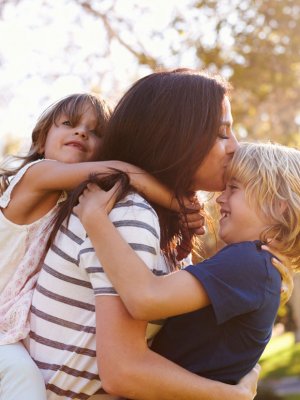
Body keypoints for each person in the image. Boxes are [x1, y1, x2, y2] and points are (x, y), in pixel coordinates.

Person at [28, 69, 261, 400]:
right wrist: (231, 395)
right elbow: (124, 372)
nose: (234, 147)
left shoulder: (149, 216)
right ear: (177, 136)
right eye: (221, 133)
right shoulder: (129, 213)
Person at [0, 92, 184, 400]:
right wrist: (178, 205)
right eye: (69, 123)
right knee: (25, 382)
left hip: (7, 328)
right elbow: (120, 172)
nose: (82, 132)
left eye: (95, 131)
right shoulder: (36, 175)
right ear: (42, 140)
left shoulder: (71, 203)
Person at [76, 141, 299, 385]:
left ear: (278, 206)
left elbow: (146, 298)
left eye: (233, 188)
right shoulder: (260, 267)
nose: (219, 199)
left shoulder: (249, 261)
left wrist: (94, 218)